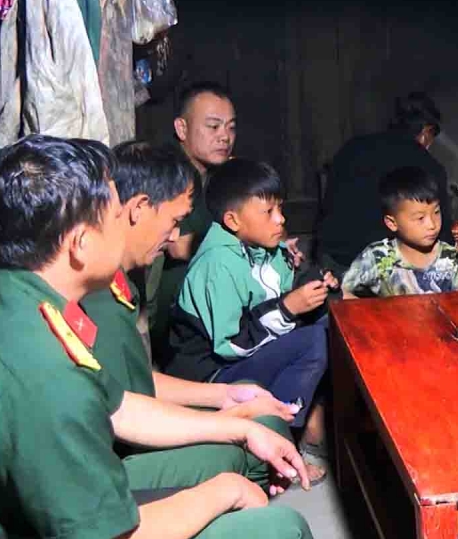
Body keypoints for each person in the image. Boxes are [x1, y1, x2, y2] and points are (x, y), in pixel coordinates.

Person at [0, 135, 315, 539]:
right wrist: (227, 491)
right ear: (80, 243)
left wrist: (238, 427)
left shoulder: (6, 293)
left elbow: (117, 405)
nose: (129, 221)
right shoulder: (37, 372)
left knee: (236, 454)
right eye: (115, 214)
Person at [85, 140, 299, 491]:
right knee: (247, 450)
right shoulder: (94, 293)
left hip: (132, 422)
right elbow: (123, 412)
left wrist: (224, 396)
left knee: (253, 403)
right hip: (108, 465)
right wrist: (235, 422)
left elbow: (134, 383)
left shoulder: (121, 282)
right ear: (139, 208)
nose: (174, 236)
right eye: (174, 221)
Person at [167, 159, 334, 481]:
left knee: (330, 321)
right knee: (314, 341)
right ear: (233, 220)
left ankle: (301, 423)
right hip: (211, 375)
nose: (281, 219)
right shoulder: (219, 263)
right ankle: (279, 443)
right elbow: (230, 345)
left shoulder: (259, 246)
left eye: (280, 208)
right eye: (268, 212)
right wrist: (288, 308)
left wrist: (311, 283)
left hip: (242, 353)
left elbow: (274, 293)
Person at [148, 82, 240, 367]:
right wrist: (249, 245)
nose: (225, 136)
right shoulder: (169, 171)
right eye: (213, 127)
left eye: (231, 127)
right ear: (182, 128)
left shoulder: (216, 174)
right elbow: (178, 245)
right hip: (164, 318)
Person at [318, 92, 453, 279]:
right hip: (387, 272)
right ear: (426, 132)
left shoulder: (352, 147)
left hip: (334, 262)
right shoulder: (428, 165)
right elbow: (441, 234)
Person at [342, 165, 458, 298]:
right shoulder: (376, 258)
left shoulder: (453, 259)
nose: (432, 224)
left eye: (436, 212)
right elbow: (346, 294)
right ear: (392, 223)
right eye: (420, 218)